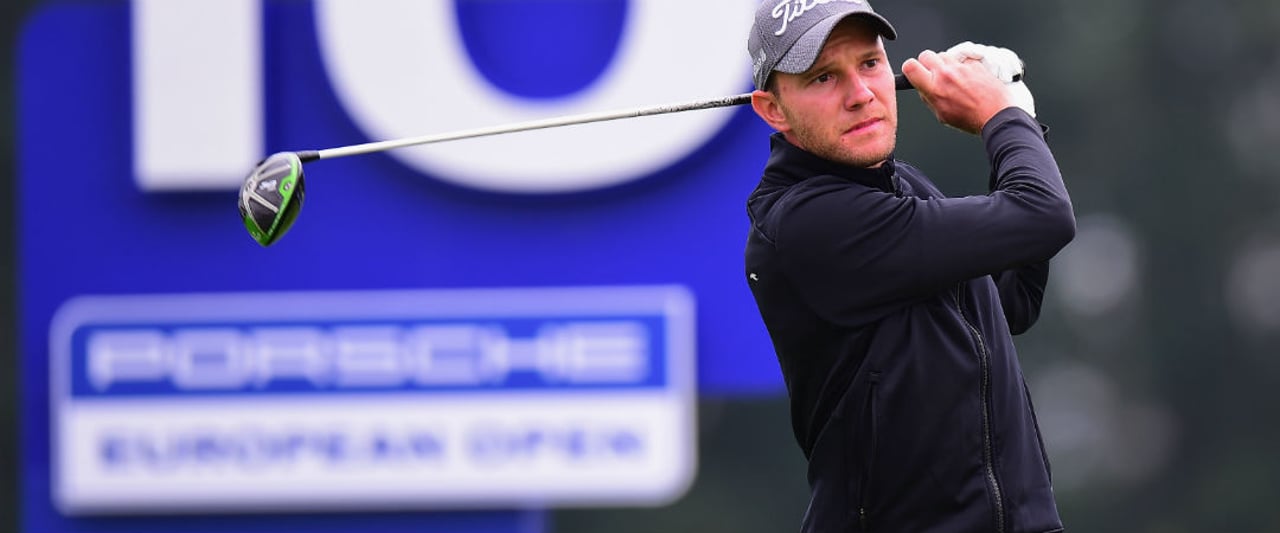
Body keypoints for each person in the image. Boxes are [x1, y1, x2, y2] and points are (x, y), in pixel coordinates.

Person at [743, 1, 1076, 532]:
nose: (860, 94)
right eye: (824, 77)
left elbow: (1011, 301)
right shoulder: (810, 222)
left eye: (870, 64)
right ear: (773, 109)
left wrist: (1022, 117)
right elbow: (1043, 215)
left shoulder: (905, 188)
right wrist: (1004, 117)